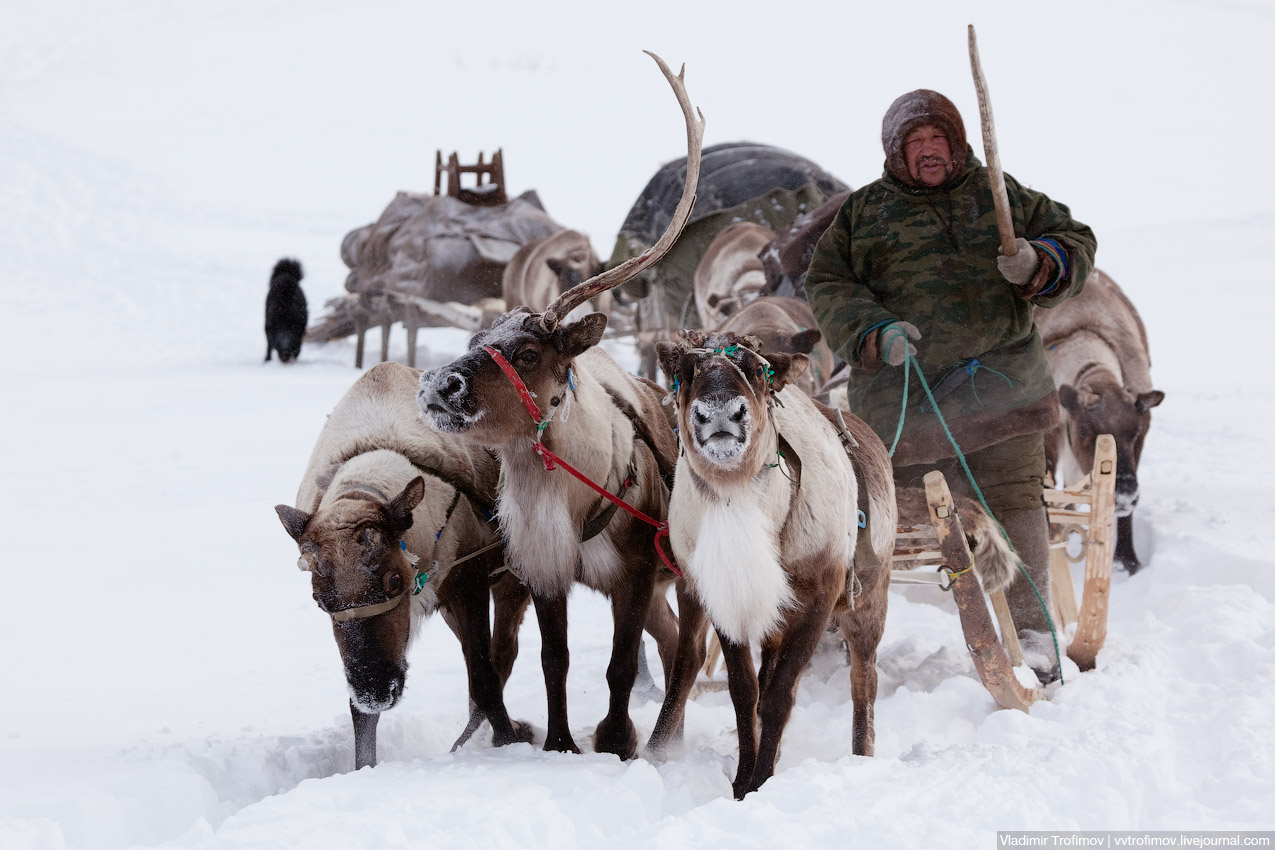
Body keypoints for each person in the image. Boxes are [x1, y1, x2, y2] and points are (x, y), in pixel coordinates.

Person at [804, 89, 1097, 683]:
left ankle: (1034, 636)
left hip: (1005, 388)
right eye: (916, 143)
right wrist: (873, 330)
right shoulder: (863, 213)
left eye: (940, 140)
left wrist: (1042, 261)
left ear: (959, 143)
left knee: (1015, 502)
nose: (930, 151)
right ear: (895, 152)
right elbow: (827, 283)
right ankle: (841, 624)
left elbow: (1077, 239)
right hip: (907, 403)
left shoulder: (1002, 194)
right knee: (882, 517)